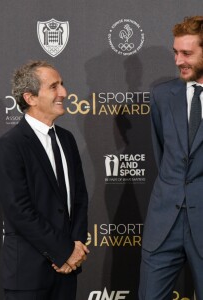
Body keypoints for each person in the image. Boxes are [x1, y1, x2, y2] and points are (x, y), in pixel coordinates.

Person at [0, 60, 89, 300]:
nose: (64, 93)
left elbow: (79, 200)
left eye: (62, 85)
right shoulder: (10, 146)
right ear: (30, 97)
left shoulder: (67, 139)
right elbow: (20, 211)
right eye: (54, 87)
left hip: (67, 272)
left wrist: (74, 250)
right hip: (28, 274)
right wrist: (64, 251)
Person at [139, 16, 203, 299]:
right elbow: (161, 152)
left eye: (187, 53)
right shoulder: (162, 95)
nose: (178, 61)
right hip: (164, 222)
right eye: (176, 53)